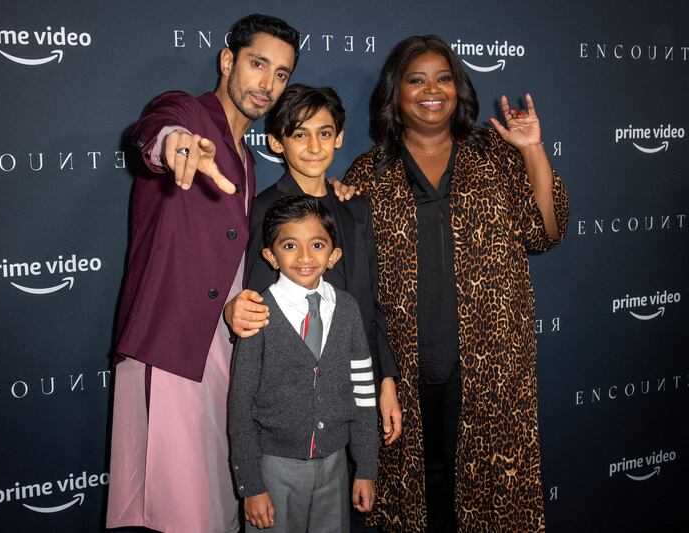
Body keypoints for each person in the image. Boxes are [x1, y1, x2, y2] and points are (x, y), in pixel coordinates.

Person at [344, 35, 569, 532]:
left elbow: (546, 232)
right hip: (403, 367)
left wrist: (532, 150)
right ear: (394, 92)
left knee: (490, 493)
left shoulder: (495, 154)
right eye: (416, 79)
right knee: (421, 494)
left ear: (459, 87)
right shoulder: (369, 172)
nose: (432, 90)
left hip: (491, 363)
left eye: (444, 78)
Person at [105, 14, 300, 533]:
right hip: (169, 345)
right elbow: (156, 128)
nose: (268, 84)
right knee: (174, 515)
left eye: (281, 74)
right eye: (259, 64)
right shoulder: (188, 112)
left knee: (213, 511)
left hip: (221, 350)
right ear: (227, 60)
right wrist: (172, 143)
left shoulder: (249, 157)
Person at [228, 195, 380, 532]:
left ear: (333, 255)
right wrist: (251, 485)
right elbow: (240, 403)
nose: (305, 257)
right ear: (271, 255)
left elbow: (365, 394)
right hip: (274, 469)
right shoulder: (259, 313)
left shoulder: (348, 309)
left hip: (336, 467)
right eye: (290, 245)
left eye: (316, 244)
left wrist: (366, 468)